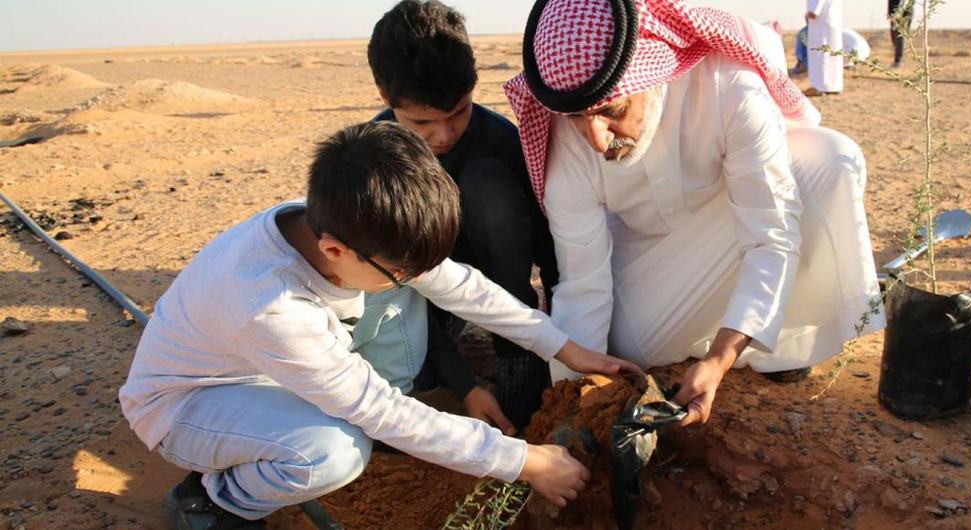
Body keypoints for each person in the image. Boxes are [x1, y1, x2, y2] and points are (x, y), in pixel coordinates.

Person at [119, 121, 639, 529]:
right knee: (334, 451)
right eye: (402, 270)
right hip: (187, 404)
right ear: (335, 250)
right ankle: (215, 500)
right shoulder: (270, 307)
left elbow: (460, 285)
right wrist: (524, 461)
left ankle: (291, 434)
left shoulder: (344, 221)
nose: (414, 277)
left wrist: (565, 348)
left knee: (397, 305)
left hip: (278, 369)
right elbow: (379, 410)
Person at [506, 0, 884, 428]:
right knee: (624, 348)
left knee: (832, 161)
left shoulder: (727, 86)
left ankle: (780, 347)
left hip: (735, 221)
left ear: (654, 74)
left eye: (611, 112)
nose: (595, 139)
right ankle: (733, 328)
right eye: (577, 118)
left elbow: (770, 235)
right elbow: (582, 281)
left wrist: (720, 359)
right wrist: (573, 404)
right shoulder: (566, 139)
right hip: (648, 253)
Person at [366, 0, 559, 429]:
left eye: (459, 113)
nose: (444, 135)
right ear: (386, 97)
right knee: (416, 378)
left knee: (489, 183)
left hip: (502, 284)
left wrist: (563, 343)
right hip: (417, 294)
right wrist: (461, 383)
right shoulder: (375, 159)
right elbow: (384, 286)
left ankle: (516, 360)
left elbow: (551, 251)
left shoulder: (503, 141)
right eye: (422, 123)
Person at [805, 0, 845, 95]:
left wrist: (814, 10)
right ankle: (833, 86)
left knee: (821, 52)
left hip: (821, 19)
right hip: (830, 17)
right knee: (832, 52)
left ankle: (819, 86)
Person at [889, 0, 915, 68]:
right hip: (893, 14)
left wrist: (899, 11)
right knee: (895, 37)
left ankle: (898, 61)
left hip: (904, 13)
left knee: (900, 35)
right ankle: (900, 54)